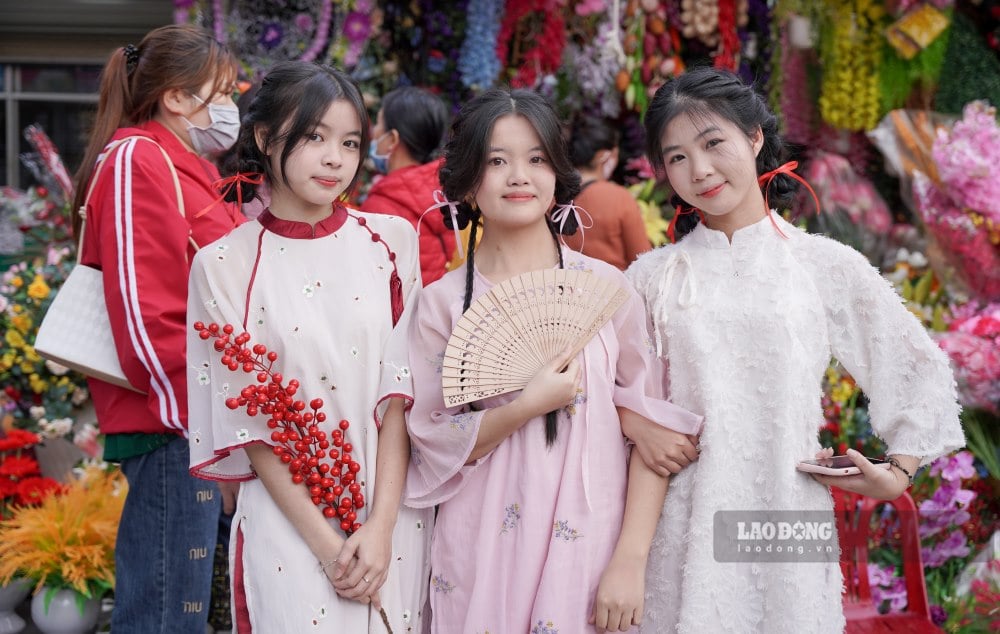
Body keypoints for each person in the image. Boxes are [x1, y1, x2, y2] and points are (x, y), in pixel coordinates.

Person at [626, 66, 965, 633]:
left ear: (755, 137)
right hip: (678, 525)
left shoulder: (822, 264)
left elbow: (916, 371)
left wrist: (898, 472)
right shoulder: (650, 277)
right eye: (678, 157)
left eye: (713, 144)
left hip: (786, 516)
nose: (700, 170)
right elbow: (598, 388)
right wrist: (634, 420)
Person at [403, 88, 702, 633]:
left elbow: (653, 432)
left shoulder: (608, 290)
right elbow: (431, 439)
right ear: (468, 180)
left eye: (536, 159)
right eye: (497, 161)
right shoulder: (441, 305)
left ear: (558, 173)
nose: (519, 176)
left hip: (591, 541)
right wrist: (524, 407)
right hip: (483, 542)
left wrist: (630, 561)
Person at [187, 60, 431, 633]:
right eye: (315, 137)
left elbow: (402, 391)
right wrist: (330, 549)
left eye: (350, 142)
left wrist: (381, 525)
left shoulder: (392, 241)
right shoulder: (222, 265)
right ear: (267, 137)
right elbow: (252, 428)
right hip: (290, 528)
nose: (334, 159)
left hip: (393, 514)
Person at [70, 24, 245, 632]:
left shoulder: (186, 165)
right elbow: (145, 311)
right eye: (221, 93)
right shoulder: (136, 158)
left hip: (190, 417)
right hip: (170, 419)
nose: (230, 109)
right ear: (175, 96)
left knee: (180, 609)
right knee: (167, 613)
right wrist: (200, 431)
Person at [360, 86, 455, 285]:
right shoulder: (448, 188)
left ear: (392, 138)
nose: (373, 133)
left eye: (378, 123)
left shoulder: (381, 207)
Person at [564, 117, 652, 270]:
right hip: (613, 290)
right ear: (603, 156)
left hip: (566, 290)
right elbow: (644, 263)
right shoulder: (618, 198)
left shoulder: (552, 198)